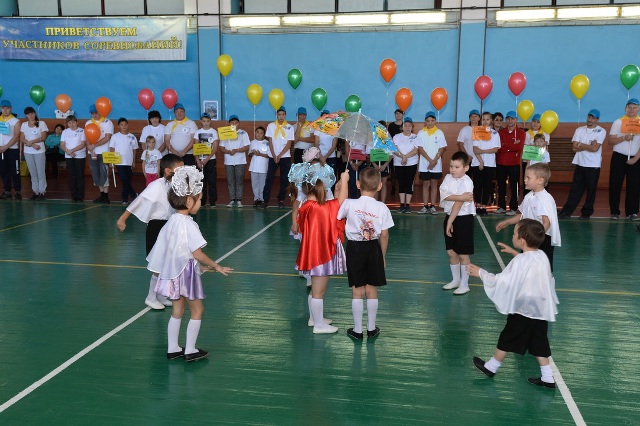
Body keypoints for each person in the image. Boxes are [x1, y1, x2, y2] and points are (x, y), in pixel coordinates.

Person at [146, 166, 233, 361]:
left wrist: (199, 266)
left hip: (173, 273)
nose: (200, 203)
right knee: (197, 310)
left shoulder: (171, 221)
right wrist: (216, 265)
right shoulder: (189, 224)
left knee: (177, 310)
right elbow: (197, 253)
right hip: (185, 275)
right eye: (200, 199)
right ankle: (191, 350)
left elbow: (175, 251)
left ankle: (173, 348)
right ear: (189, 201)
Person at [468, 219, 559, 389]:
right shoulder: (542, 255)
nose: (512, 235)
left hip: (524, 309)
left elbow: (502, 281)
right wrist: (515, 253)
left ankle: (491, 367)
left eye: (514, 233)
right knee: (539, 342)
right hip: (540, 309)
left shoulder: (521, 261)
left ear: (522, 241)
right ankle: (548, 378)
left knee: (508, 336)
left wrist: (481, 273)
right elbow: (529, 263)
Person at [117, 154, 184, 310]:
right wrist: (123, 218)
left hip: (168, 226)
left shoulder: (175, 185)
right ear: (167, 170)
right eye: (179, 169)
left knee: (167, 263)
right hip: (157, 227)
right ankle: (151, 297)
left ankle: (160, 294)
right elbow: (139, 200)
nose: (182, 171)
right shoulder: (156, 185)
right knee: (158, 265)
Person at [338, 167, 394, 340]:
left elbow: (338, 208)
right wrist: (382, 256)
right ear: (380, 186)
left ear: (358, 184)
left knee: (357, 290)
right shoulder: (382, 207)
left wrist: (343, 181)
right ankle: (371, 328)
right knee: (371, 289)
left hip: (354, 248)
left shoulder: (349, 204)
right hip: (373, 248)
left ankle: (357, 330)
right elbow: (384, 234)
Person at [292, 162, 348, 334]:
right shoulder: (317, 208)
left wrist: (338, 189)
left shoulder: (308, 206)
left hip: (314, 252)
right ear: (318, 188)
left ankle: (315, 319)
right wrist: (345, 180)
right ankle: (318, 325)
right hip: (320, 254)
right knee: (319, 291)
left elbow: (333, 205)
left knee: (315, 290)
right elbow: (340, 204)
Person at [495, 163, 561, 271]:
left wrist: (536, 239)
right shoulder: (529, 196)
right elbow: (522, 215)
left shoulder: (545, 199)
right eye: (525, 177)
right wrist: (507, 222)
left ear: (540, 180)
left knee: (543, 269)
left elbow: (547, 223)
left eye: (528, 178)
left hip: (542, 238)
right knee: (526, 265)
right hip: (529, 236)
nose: (525, 180)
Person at [558, 109, 606, 220]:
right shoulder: (579, 130)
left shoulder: (601, 131)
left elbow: (595, 149)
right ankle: (566, 212)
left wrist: (581, 144)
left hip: (593, 165)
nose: (590, 119)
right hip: (580, 164)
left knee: (591, 190)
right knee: (575, 189)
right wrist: (589, 145)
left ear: (597, 119)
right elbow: (574, 148)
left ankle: (586, 213)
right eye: (589, 117)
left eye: (593, 118)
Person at [440, 151, 475, 295]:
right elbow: (444, 195)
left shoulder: (467, 182)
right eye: (451, 166)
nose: (453, 170)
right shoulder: (448, 178)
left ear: (466, 168)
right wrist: (460, 197)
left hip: (463, 219)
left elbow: (458, 204)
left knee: (463, 254)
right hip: (449, 216)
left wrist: (450, 222)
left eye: (457, 167)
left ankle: (465, 285)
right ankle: (455, 280)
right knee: (451, 251)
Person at [607, 98, 640, 220]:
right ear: (626, 108)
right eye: (629, 107)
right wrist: (624, 138)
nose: (631, 110)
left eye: (634, 107)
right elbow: (610, 141)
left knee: (634, 186)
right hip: (619, 157)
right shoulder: (618, 122)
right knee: (615, 185)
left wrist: (635, 159)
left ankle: (632, 212)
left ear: (638, 109)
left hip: (635, 158)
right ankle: (614, 212)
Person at [263, 106, 294, 208]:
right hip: (273, 156)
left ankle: (281, 199)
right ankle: (265, 200)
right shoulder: (271, 126)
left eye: (283, 114)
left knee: (284, 179)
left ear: (285, 115)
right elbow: (270, 142)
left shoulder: (289, 127)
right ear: (276, 115)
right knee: (269, 178)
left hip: (285, 156)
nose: (281, 116)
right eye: (279, 114)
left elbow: (289, 144)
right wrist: (274, 155)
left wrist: (280, 155)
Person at [416, 112, 447, 215]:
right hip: (424, 164)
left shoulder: (439, 133)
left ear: (435, 121)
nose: (430, 123)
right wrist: (430, 160)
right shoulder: (421, 133)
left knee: (434, 184)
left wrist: (434, 160)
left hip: (436, 164)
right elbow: (420, 148)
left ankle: (433, 206)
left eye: (432, 120)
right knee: (425, 184)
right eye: (428, 121)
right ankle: (425, 206)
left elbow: (442, 148)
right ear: (425, 121)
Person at [496, 111, 526, 215]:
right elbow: (499, 147)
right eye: (508, 118)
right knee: (501, 186)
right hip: (501, 162)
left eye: (512, 118)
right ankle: (501, 206)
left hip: (514, 163)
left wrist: (506, 145)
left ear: (516, 120)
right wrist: (511, 146)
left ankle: (513, 208)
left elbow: (518, 147)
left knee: (514, 186)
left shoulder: (521, 133)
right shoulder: (500, 132)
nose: (510, 121)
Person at [472, 111, 501, 215]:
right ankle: (477, 205)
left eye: (487, 119)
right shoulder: (476, 131)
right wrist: (481, 162)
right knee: (477, 185)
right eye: (483, 119)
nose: (485, 121)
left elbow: (495, 149)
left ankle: (484, 206)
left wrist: (483, 151)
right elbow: (475, 149)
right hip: (477, 163)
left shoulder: (495, 134)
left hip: (490, 164)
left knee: (487, 186)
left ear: (491, 121)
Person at [219, 114, 250, 208]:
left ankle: (239, 199)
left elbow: (247, 147)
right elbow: (221, 147)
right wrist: (228, 151)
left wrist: (236, 150)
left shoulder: (243, 133)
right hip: (228, 161)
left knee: (239, 180)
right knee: (230, 181)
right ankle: (232, 199)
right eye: (232, 122)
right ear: (229, 123)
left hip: (240, 161)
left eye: (236, 122)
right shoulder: (225, 133)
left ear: (238, 123)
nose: (234, 124)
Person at [86, 104, 114, 204]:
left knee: (104, 173)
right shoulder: (88, 123)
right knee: (95, 174)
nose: (94, 115)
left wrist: (95, 145)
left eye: (96, 113)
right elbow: (87, 136)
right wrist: (89, 147)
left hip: (104, 152)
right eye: (92, 113)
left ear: (101, 112)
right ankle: (101, 194)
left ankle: (106, 196)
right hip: (92, 152)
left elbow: (107, 137)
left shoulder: (107, 122)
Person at [20, 106, 49, 200]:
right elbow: (22, 138)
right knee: (33, 173)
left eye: (32, 113)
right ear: (26, 116)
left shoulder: (41, 123)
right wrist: (32, 145)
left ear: (35, 113)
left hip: (39, 151)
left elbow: (43, 137)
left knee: (40, 172)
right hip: (28, 151)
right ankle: (36, 191)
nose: (30, 115)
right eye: (28, 114)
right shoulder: (24, 124)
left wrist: (32, 142)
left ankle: (42, 192)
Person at [108, 117, 139, 205]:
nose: (124, 126)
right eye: (121, 125)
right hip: (119, 162)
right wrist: (111, 162)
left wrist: (133, 161)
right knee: (123, 179)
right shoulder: (115, 136)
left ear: (127, 125)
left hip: (129, 162)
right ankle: (133, 195)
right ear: (118, 126)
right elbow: (112, 149)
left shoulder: (132, 137)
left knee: (127, 181)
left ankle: (125, 199)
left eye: (125, 124)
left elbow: (134, 150)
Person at [392, 117, 419, 213]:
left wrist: (405, 157)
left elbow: (415, 150)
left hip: (412, 163)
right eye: (405, 125)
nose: (407, 127)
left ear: (412, 127)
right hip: (398, 163)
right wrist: (402, 156)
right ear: (402, 127)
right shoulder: (396, 137)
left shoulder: (415, 137)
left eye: (409, 126)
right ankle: (401, 205)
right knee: (401, 183)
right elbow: (394, 149)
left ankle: (407, 205)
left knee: (409, 183)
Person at [193, 112, 219, 208]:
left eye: (208, 121)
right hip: (200, 160)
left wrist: (207, 159)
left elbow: (215, 148)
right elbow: (195, 147)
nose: (206, 123)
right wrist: (198, 161)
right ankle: (202, 201)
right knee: (201, 181)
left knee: (212, 181)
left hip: (210, 160)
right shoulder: (198, 132)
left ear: (210, 121)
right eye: (204, 121)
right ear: (201, 121)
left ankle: (212, 201)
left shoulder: (214, 132)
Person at [60, 115, 87, 202]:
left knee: (80, 175)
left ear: (77, 123)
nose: (72, 124)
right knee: (72, 175)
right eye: (69, 123)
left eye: (73, 122)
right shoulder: (65, 132)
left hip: (80, 156)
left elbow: (83, 144)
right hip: (69, 156)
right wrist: (68, 152)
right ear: (67, 124)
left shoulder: (82, 131)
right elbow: (62, 144)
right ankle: (74, 195)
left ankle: (80, 196)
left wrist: (72, 150)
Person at [0, 100, 22, 200]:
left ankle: (17, 191)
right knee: (3, 171)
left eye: (7, 108)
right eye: (3, 108)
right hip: (1, 150)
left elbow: (16, 136)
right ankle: (7, 191)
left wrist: (6, 146)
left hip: (12, 150)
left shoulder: (15, 121)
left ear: (11, 109)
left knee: (15, 171)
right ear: (1, 108)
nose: (5, 110)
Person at [248, 126, 269, 207]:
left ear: (264, 134)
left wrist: (260, 154)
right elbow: (249, 154)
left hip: (263, 167)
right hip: (254, 167)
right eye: (257, 132)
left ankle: (262, 199)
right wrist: (252, 153)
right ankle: (256, 198)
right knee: (255, 184)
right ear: (255, 133)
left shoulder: (267, 143)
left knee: (263, 184)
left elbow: (269, 155)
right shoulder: (252, 142)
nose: (259, 134)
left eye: (261, 133)